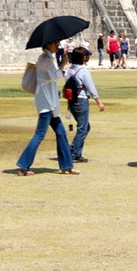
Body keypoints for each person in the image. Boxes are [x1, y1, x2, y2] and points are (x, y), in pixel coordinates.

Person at [16, 41, 79, 176]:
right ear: (48, 44)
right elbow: (55, 76)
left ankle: (67, 165)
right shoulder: (46, 58)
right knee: (40, 134)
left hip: (50, 100)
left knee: (61, 132)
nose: (57, 45)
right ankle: (23, 165)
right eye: (55, 43)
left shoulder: (46, 57)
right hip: (46, 100)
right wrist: (63, 64)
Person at [65, 47, 105, 163]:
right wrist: (99, 102)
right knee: (83, 128)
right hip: (81, 101)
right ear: (83, 57)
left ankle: (73, 148)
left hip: (72, 101)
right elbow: (91, 88)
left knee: (85, 127)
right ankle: (75, 154)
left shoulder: (69, 70)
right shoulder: (83, 71)